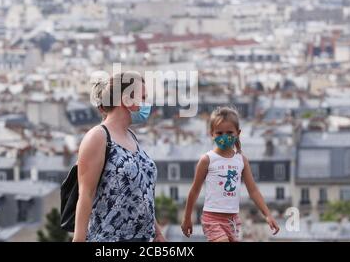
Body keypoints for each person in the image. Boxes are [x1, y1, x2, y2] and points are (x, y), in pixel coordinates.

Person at [73, 71, 166, 242]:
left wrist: (157, 232)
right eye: (142, 97)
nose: (147, 104)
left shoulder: (131, 136)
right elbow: (85, 194)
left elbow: (141, 192)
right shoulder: (98, 137)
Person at [181, 106, 280, 242]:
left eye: (229, 133)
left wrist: (267, 215)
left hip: (233, 219)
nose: (224, 137)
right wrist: (187, 218)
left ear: (238, 133)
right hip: (212, 218)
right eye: (219, 133)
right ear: (212, 134)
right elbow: (194, 190)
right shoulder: (207, 159)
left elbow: (253, 191)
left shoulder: (241, 160)